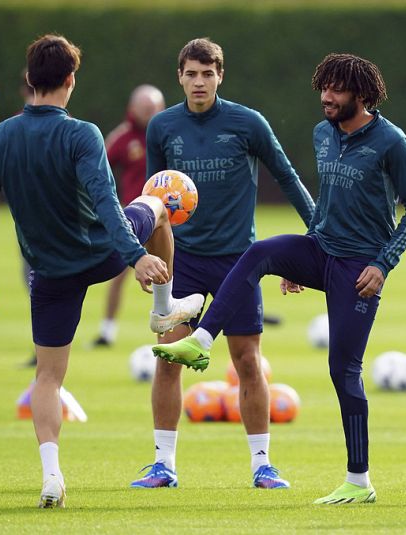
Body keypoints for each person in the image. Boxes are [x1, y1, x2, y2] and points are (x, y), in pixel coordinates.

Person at [151, 52, 406, 505]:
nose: (326, 97)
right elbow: (327, 204)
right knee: (260, 253)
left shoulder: (392, 142)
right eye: (323, 88)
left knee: (343, 371)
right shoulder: (323, 133)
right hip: (321, 249)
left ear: (362, 94)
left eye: (336, 90)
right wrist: (300, 258)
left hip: (358, 268)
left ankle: (359, 481)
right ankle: (201, 340)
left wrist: (383, 264)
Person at [0, 34, 202, 508]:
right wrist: (136, 257)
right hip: (101, 252)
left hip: (48, 271)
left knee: (48, 378)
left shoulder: (0, 138)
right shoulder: (83, 134)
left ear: (30, 79)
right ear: (71, 80)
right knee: (158, 202)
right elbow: (107, 203)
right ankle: (164, 309)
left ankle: (52, 475)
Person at [129, 37, 315, 491]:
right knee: (168, 356)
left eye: (207, 74)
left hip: (239, 262)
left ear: (220, 76)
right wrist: (146, 255)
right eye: (191, 74)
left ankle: (262, 466)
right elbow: (152, 199)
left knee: (248, 360)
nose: (199, 82)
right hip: (182, 260)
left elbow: (288, 177)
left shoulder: (247, 123)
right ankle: (163, 465)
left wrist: (315, 241)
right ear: (179, 77)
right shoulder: (162, 127)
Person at [93, 84, 166, 347]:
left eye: (154, 108)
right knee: (118, 274)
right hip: (133, 218)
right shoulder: (123, 137)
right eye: (145, 108)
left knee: (179, 273)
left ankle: (178, 328)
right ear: (133, 109)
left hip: (169, 219)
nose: (150, 113)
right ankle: (107, 332)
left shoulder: (169, 135)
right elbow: (96, 167)